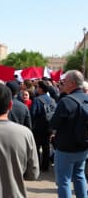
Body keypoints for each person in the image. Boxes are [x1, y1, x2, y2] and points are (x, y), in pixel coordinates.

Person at [51, 70, 88, 198]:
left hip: (66, 149)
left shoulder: (66, 101)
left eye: (64, 81)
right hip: (83, 146)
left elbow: (54, 124)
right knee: (80, 176)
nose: (62, 83)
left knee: (64, 181)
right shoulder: (87, 98)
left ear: (72, 83)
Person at [30, 80, 56, 172]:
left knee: (36, 147)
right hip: (49, 127)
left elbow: (33, 114)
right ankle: (45, 166)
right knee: (46, 147)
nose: (36, 89)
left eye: (37, 87)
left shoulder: (37, 100)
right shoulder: (52, 100)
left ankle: (36, 165)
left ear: (41, 89)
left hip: (38, 127)